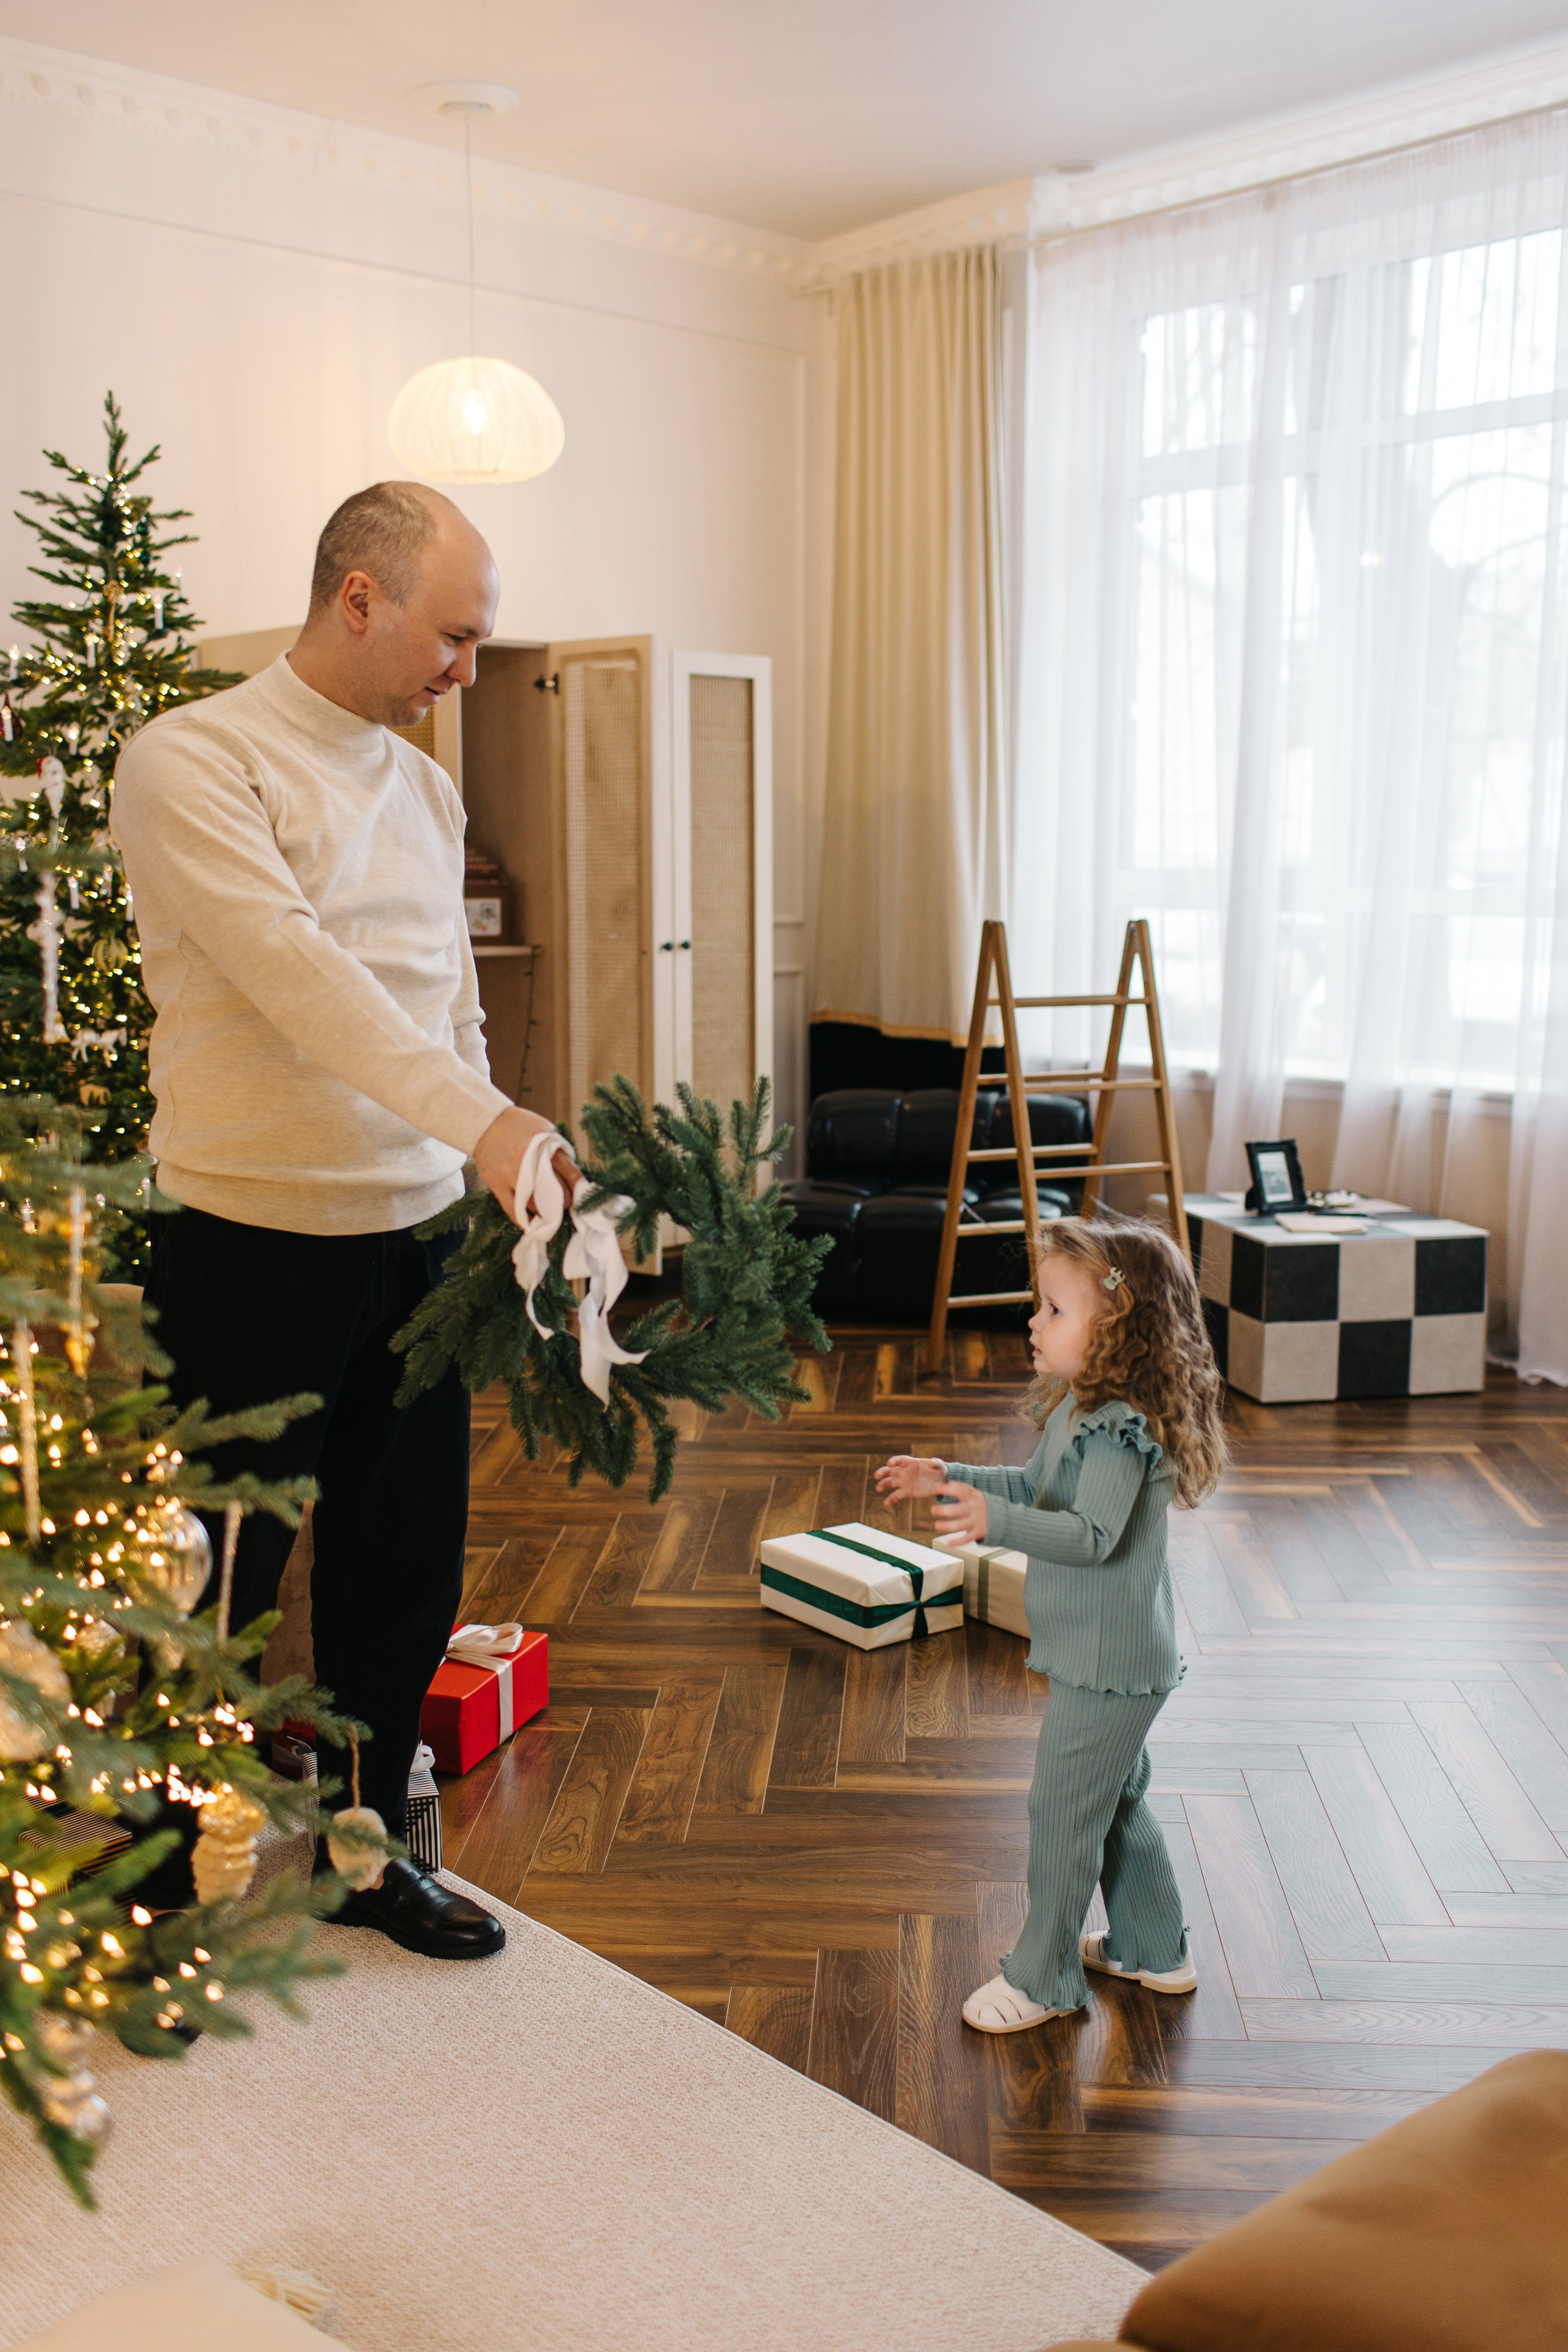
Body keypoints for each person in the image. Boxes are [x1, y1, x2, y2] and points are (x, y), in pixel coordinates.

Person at [112, 480, 573, 1959]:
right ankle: (169, 1865)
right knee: (215, 1574)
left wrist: (493, 1165)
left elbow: (447, 1010)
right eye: (454, 636)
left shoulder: (426, 793)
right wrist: (485, 1125)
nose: (468, 671)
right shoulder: (193, 760)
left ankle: (371, 1858)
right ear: (357, 597)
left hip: (418, 1236)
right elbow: (301, 978)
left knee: (401, 1565)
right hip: (246, 1240)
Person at [874, 1213, 1226, 2031]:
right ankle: (1154, 1949)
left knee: (1064, 1813)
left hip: (1112, 1665)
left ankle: (1042, 1979)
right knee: (1116, 1801)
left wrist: (992, 1524)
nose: (1034, 1322)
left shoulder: (1120, 1432)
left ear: (1119, 1329)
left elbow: (1090, 1535)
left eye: (1056, 1310)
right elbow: (1037, 1488)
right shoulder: (1081, 1406)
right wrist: (947, 1475)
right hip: (1106, 1655)